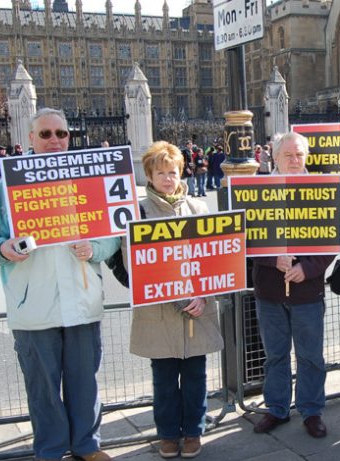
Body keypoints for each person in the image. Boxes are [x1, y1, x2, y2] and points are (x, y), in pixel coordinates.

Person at [0, 108, 118, 461]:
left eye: (62, 133)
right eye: (46, 134)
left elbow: (113, 233)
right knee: (43, 390)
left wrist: (95, 247)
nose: (55, 140)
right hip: (33, 307)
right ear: (31, 140)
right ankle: (50, 449)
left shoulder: (88, 179)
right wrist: (4, 248)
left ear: (69, 137)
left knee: (86, 383)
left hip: (82, 301)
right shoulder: (6, 186)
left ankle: (87, 444)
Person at [123, 141, 224, 458]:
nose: (168, 178)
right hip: (159, 310)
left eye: (173, 171)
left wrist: (204, 294)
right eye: (161, 172)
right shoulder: (138, 212)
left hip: (198, 307)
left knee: (195, 375)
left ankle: (193, 431)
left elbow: (215, 259)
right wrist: (179, 295)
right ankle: (168, 434)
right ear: (149, 175)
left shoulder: (198, 208)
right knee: (164, 378)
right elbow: (134, 263)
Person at [251, 131, 335, 438]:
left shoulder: (322, 190)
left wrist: (307, 267)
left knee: (311, 355)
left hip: (307, 291)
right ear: (274, 157)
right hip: (270, 291)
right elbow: (246, 238)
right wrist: (275, 260)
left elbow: (331, 241)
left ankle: (312, 411)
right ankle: (277, 409)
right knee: (275, 355)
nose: (295, 160)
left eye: (299, 154)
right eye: (288, 155)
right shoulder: (257, 190)